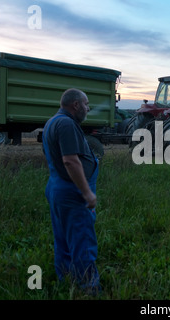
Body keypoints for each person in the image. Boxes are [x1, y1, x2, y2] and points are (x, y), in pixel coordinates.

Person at [42, 88, 101, 294]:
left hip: (57, 187)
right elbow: (70, 161)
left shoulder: (52, 122)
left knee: (64, 239)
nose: (88, 108)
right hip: (72, 192)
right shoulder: (66, 124)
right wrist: (87, 193)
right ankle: (88, 288)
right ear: (75, 105)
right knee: (82, 240)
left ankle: (66, 281)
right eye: (86, 104)